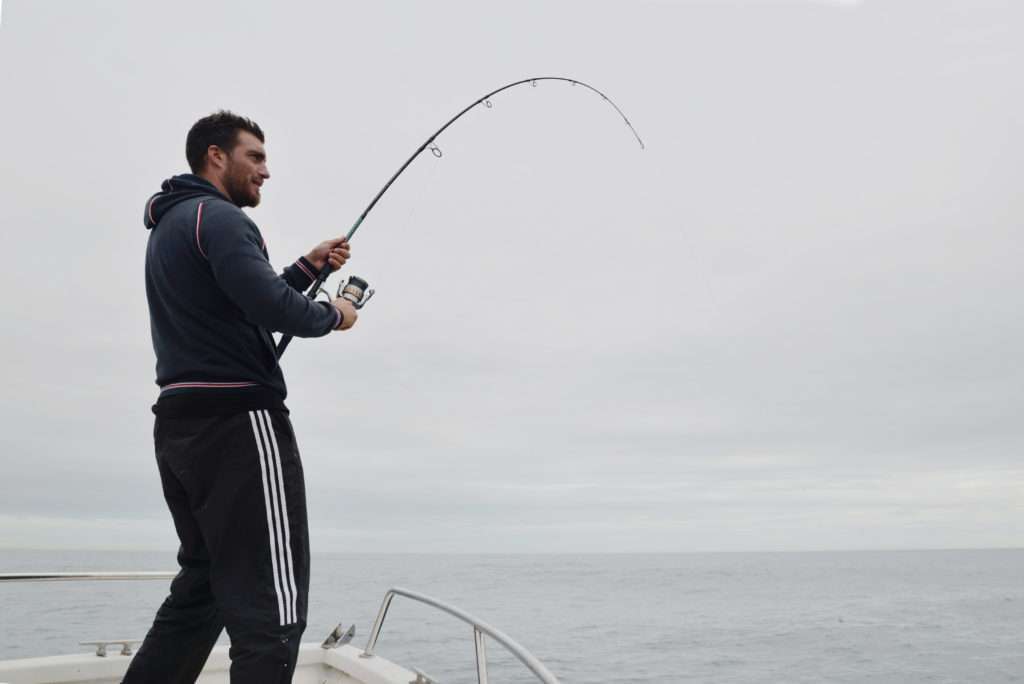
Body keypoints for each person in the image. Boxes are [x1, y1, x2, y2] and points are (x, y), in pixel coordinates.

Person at [123, 110, 357, 683]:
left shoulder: (174, 226)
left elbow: (239, 299)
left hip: (181, 428)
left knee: (200, 592)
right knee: (270, 613)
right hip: (238, 426)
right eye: (254, 157)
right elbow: (273, 308)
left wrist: (307, 267)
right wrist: (336, 314)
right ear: (216, 156)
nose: (266, 171)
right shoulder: (221, 218)